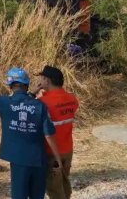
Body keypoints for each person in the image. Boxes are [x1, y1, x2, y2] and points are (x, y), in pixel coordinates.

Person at [0, 67, 62, 199]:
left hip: (18, 160)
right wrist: (57, 158)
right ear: (26, 85)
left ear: (10, 85)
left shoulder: (3, 102)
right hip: (38, 159)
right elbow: (48, 134)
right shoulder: (40, 106)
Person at [33, 66, 79, 199]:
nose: (40, 80)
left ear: (47, 81)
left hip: (51, 152)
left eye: (42, 78)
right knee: (64, 182)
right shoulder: (72, 99)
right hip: (67, 149)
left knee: (54, 189)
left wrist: (34, 93)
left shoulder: (43, 103)